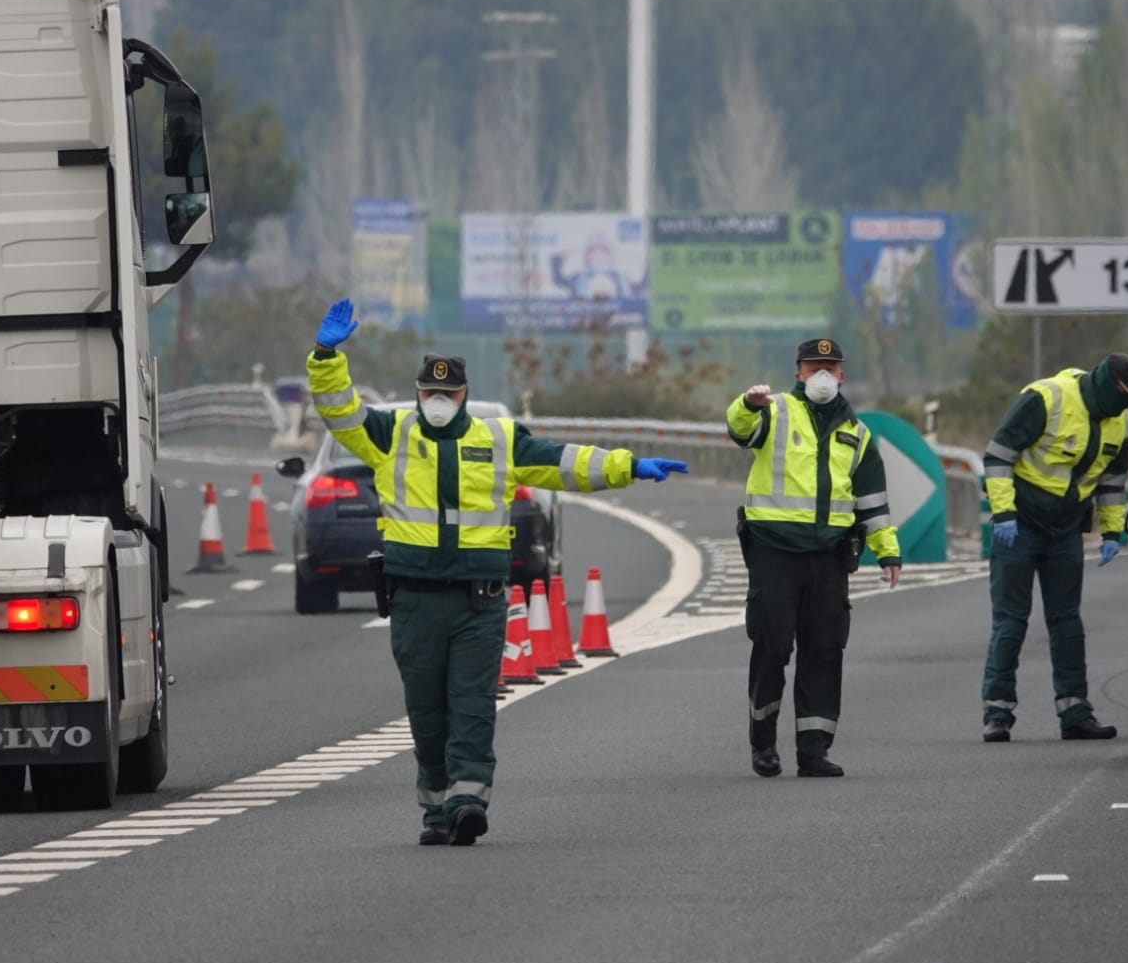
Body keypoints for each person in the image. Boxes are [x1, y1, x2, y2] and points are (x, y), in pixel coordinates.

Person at [308, 298, 690, 846]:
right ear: (418, 393)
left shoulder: (499, 439)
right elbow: (337, 410)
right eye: (430, 392)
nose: (439, 400)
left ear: (463, 395)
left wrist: (628, 465)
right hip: (414, 598)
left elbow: (564, 462)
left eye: (449, 392)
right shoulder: (389, 435)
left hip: (477, 602)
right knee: (426, 711)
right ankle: (436, 808)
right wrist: (326, 355)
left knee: (472, 704)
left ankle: (468, 798)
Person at [726, 338, 901, 779]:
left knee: (825, 649)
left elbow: (872, 500)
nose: (822, 374)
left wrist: (888, 551)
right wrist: (747, 403)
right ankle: (763, 741)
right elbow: (740, 430)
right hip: (774, 551)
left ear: (842, 375)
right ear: (798, 372)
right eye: (813, 366)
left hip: (828, 556)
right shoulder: (776, 411)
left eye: (830, 367)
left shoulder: (856, 433)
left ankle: (814, 750)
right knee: (773, 645)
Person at [980, 352, 1128, 743]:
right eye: (1124, 394)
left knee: (1067, 621)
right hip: (1020, 525)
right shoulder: (1046, 398)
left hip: (1066, 530)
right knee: (1011, 621)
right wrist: (1003, 513)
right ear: (1107, 386)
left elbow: (1112, 480)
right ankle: (997, 711)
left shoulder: (1122, 422)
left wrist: (1111, 533)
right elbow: (999, 455)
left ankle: (1075, 712)